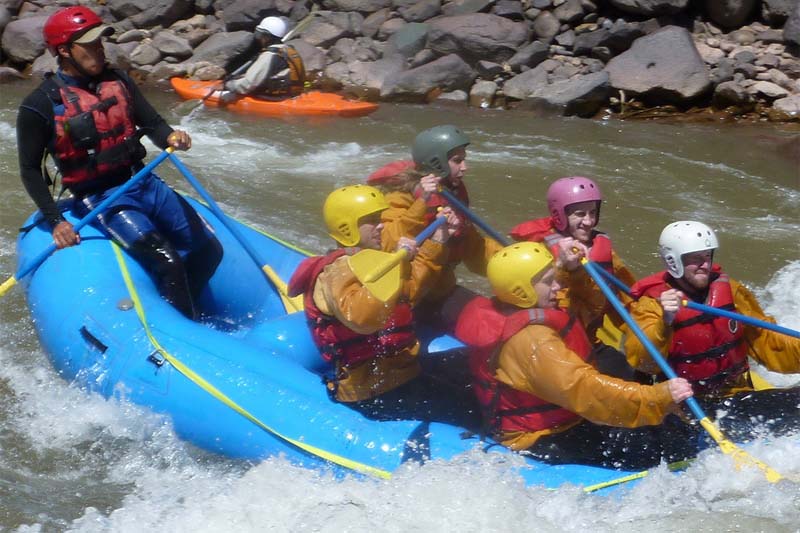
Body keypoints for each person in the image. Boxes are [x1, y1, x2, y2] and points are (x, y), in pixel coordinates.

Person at [17, 6, 222, 319]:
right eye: (89, 45)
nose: (99, 50)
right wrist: (56, 220)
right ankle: (184, 325)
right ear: (64, 51)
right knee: (167, 261)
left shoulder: (120, 81)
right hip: (102, 198)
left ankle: (182, 303)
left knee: (210, 250)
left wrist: (171, 137)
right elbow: (30, 170)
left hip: (143, 182)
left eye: (100, 43)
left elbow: (152, 123)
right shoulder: (40, 105)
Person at [455, 241, 700, 470]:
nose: (558, 286)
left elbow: (582, 307)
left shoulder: (517, 308)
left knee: (668, 428)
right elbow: (587, 389)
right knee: (660, 442)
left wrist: (571, 271)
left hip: (562, 419)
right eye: (549, 281)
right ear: (522, 291)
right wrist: (658, 397)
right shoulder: (534, 343)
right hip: (540, 437)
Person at [287, 185, 477, 425]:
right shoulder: (335, 273)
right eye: (372, 220)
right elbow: (363, 318)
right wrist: (397, 264)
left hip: (402, 372)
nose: (382, 225)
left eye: (380, 218)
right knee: (468, 408)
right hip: (372, 391)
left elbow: (409, 293)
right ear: (348, 227)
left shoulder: (374, 262)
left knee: (471, 363)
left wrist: (438, 241)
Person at [625, 221, 800, 398]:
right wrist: (665, 322)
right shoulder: (652, 304)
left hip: (735, 395)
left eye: (707, 256)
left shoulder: (732, 292)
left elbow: (768, 342)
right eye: (695, 258)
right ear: (673, 260)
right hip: (684, 404)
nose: (705, 265)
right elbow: (642, 362)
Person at [367, 125, 503, 330]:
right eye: (458, 161)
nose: (465, 167)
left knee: (494, 320)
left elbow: (474, 249)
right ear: (436, 162)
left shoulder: (452, 194)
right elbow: (385, 243)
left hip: (438, 290)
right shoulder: (400, 194)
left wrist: (512, 260)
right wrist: (422, 203)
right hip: (406, 293)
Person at [510, 176, 638, 379]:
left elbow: (628, 301)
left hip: (587, 339)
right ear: (559, 215)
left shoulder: (602, 250)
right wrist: (566, 269)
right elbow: (550, 305)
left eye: (593, 213)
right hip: (552, 341)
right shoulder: (538, 251)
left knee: (633, 376)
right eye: (580, 214)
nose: (588, 221)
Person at [218, 16, 305, 102]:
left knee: (226, 97)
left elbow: (247, 85)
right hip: (291, 93)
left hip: (274, 98)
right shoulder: (288, 49)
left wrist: (227, 85)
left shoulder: (269, 55)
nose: (259, 38)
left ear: (266, 37)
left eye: (259, 35)